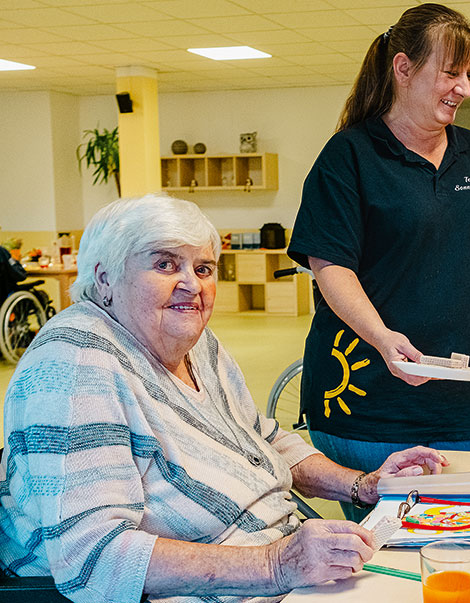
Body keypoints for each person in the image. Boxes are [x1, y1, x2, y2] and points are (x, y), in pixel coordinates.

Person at [0, 195, 447, 603]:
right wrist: (276, 565)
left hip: (281, 569)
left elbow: (264, 440)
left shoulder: (199, 345)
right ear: (104, 278)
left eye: (203, 268)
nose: (191, 285)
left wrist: (360, 485)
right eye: (165, 264)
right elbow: (92, 558)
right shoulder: (75, 366)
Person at [287, 3, 470, 520]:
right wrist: (384, 339)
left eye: (469, 75)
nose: (465, 88)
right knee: (391, 553)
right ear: (403, 68)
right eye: (452, 72)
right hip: (369, 402)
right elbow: (330, 267)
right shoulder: (350, 156)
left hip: (468, 401)